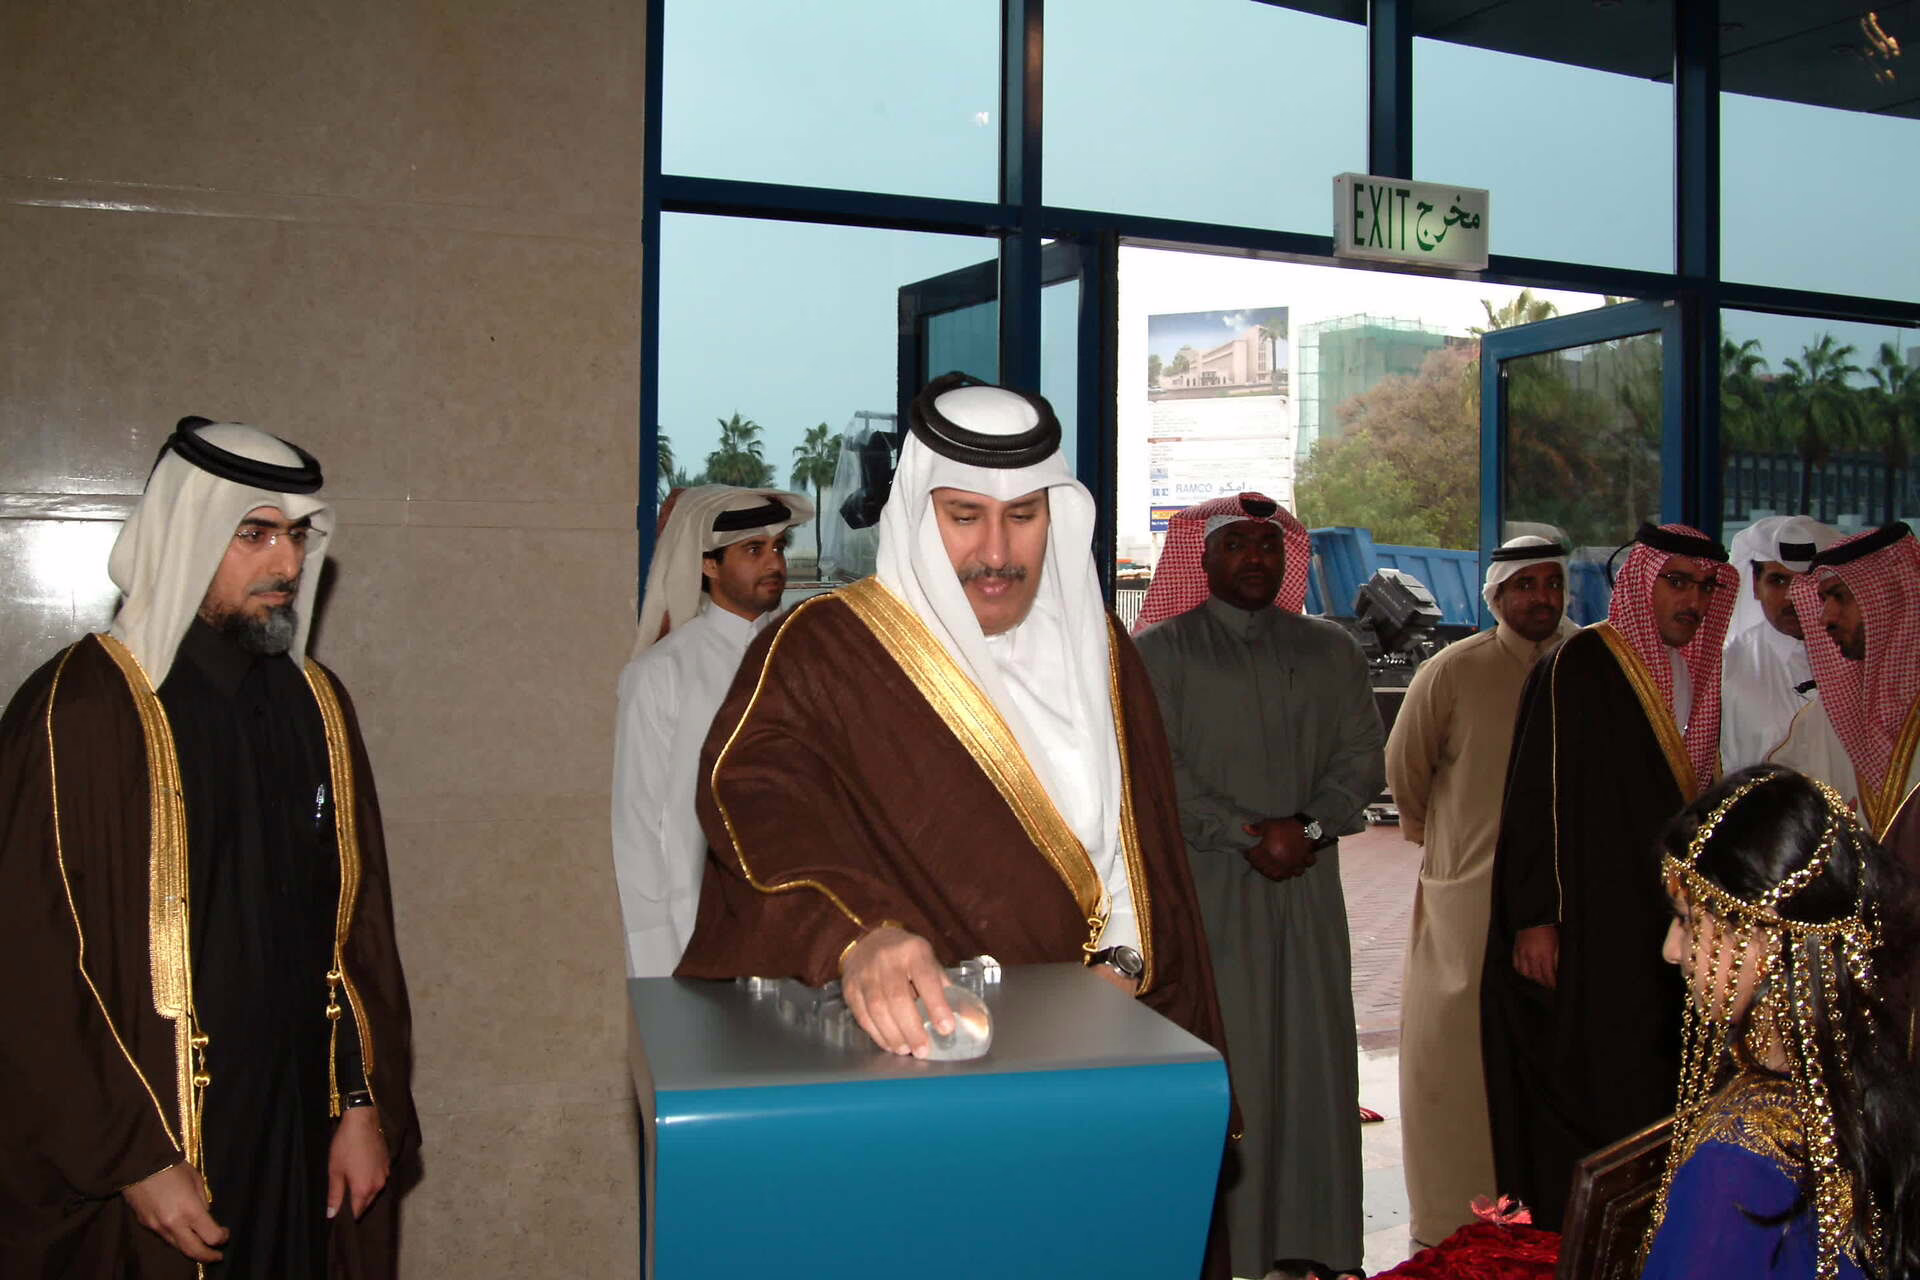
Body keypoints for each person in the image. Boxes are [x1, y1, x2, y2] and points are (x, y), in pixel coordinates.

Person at [674, 372, 1227, 1086]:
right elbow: (757, 802)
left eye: (1022, 515)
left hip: (1105, 1032)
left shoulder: (1101, 646)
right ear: (916, 511)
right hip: (916, 1053)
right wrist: (857, 935)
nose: (997, 553)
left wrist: (1124, 963)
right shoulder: (826, 648)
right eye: (965, 516)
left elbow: (1143, 850)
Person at [0, 419, 417, 1278]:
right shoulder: (82, 712)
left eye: (296, 535)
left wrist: (359, 1103)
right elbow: (28, 964)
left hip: (297, 1125)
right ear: (185, 533)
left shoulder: (315, 705)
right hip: (158, 1143)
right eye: (254, 534)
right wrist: (134, 1156)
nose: (288, 563)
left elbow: (354, 929)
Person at [1133, 492, 1387, 1280]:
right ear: (1202, 558)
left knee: (1311, 1062)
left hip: (1305, 894)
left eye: (1268, 545)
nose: (1254, 558)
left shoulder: (1331, 650)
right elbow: (1157, 771)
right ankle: (1220, 1249)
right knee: (1227, 1057)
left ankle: (1310, 1240)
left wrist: (1304, 830)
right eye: (1236, 544)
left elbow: (1362, 759)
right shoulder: (1158, 653)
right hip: (1208, 893)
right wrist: (1250, 834)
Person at [1481, 522, 1736, 1231]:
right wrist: (1537, 916)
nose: (1694, 601)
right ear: (1641, 582)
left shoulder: (1697, 670)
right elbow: (1534, 797)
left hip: (1667, 926)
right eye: (1677, 582)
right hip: (1591, 918)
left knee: (1658, 1079)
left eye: (1706, 587)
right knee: (1589, 1081)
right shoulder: (1580, 663)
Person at [1642, 764, 1920, 1280]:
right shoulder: (1862, 1079)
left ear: (1764, 943)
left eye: (1687, 922)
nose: (1671, 950)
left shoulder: (1731, 1164)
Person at [1385, 535, 1576, 1247]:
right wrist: (1451, 849)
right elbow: (1406, 773)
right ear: (1496, 596)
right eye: (1525, 585)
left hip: (1568, 903)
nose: (1541, 598)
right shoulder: (1453, 671)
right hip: (1469, 899)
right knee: (1455, 1062)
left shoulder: (1588, 665)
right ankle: (1454, 1220)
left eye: (1552, 583)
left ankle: (1554, 1213)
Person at [610, 484, 812, 977]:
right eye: (753, 550)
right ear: (709, 566)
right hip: (693, 933)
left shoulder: (802, 660)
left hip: (797, 933)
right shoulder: (661, 673)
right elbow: (636, 826)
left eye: (779, 547)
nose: (774, 563)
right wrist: (656, 957)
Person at [1771, 523, 1920, 849]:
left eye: (1840, 596)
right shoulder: (1824, 718)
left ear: (1890, 598)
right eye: (1823, 599)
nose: (1825, 617)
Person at [1719, 515, 1838, 771]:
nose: (1791, 597)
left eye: (1806, 582)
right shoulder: (1727, 669)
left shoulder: (1859, 661)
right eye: (1778, 581)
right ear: (1755, 585)